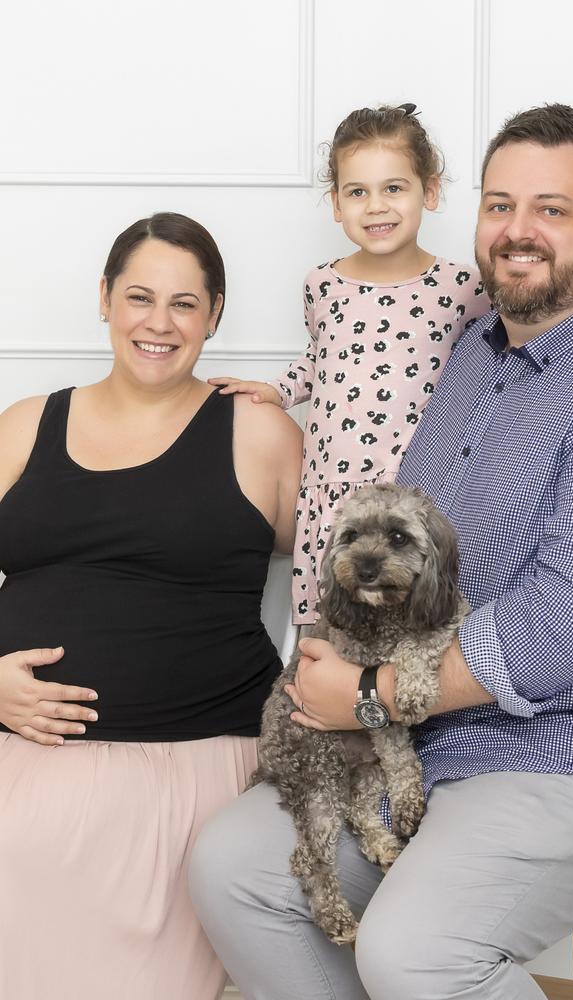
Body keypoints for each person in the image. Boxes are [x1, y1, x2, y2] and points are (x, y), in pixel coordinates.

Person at [189, 105, 573, 1000]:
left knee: (413, 953)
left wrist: (367, 694)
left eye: (552, 209)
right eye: (499, 205)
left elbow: (560, 622)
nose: (518, 231)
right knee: (229, 871)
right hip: (423, 746)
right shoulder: (470, 351)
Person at [0, 212, 302, 1000]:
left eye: (185, 304)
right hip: (20, 752)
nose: (158, 324)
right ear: (103, 298)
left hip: (193, 758)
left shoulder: (260, 434)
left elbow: (345, 576)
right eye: (139, 297)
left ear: (216, 314)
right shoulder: (27, 424)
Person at [212, 103, 489, 624]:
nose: (376, 206)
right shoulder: (323, 283)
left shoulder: (462, 288)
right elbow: (322, 359)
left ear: (428, 191)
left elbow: (488, 374)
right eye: (357, 192)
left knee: (413, 623)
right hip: (334, 491)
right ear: (336, 203)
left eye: (394, 188)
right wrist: (277, 391)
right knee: (330, 626)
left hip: (413, 485)